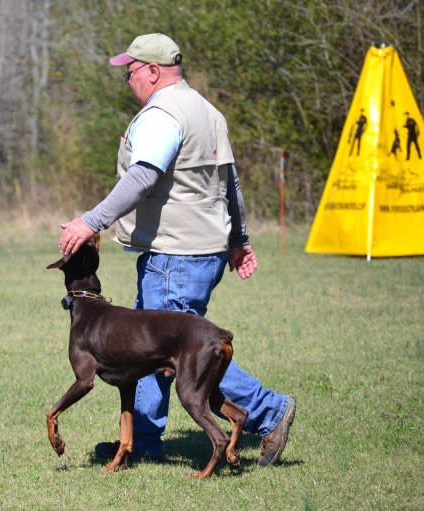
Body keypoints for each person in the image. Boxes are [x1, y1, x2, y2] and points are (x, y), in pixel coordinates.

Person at [57, 33, 296, 467]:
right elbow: (231, 184)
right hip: (203, 250)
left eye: (131, 72)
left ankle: (267, 410)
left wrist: (91, 220)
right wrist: (238, 239)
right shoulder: (208, 112)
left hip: (175, 254)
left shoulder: (162, 115)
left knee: (186, 349)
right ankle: (144, 441)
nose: (128, 80)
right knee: (150, 347)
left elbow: (143, 176)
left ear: (152, 71)